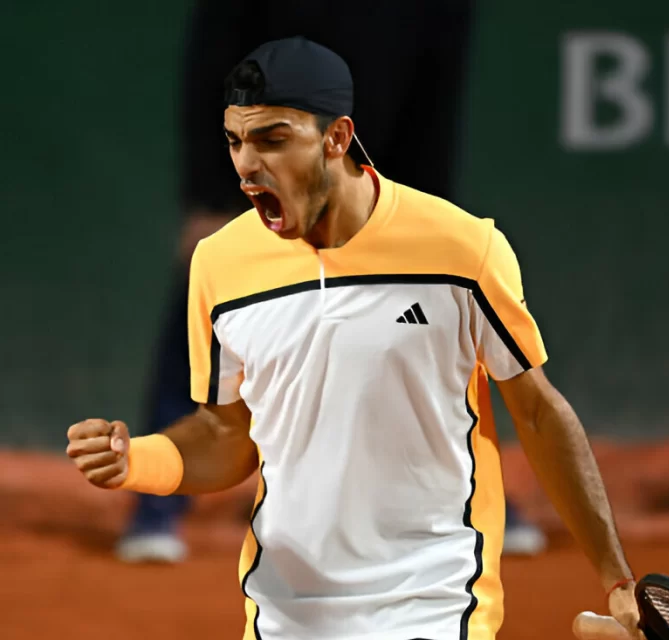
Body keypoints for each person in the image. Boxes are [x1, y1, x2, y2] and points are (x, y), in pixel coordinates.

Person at [67, 38, 654, 640]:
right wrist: (139, 459)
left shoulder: (462, 249)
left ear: (338, 138)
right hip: (287, 619)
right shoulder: (219, 265)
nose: (248, 164)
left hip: (429, 604)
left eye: (273, 139)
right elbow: (229, 436)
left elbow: (538, 413)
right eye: (234, 142)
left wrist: (616, 576)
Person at [116, 0, 547, 563]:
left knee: (426, 329)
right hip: (263, 164)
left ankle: (463, 485)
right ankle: (156, 505)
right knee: (210, 315)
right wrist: (207, 191)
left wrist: (425, 209)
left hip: (379, 165)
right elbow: (215, 58)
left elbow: (437, 83)